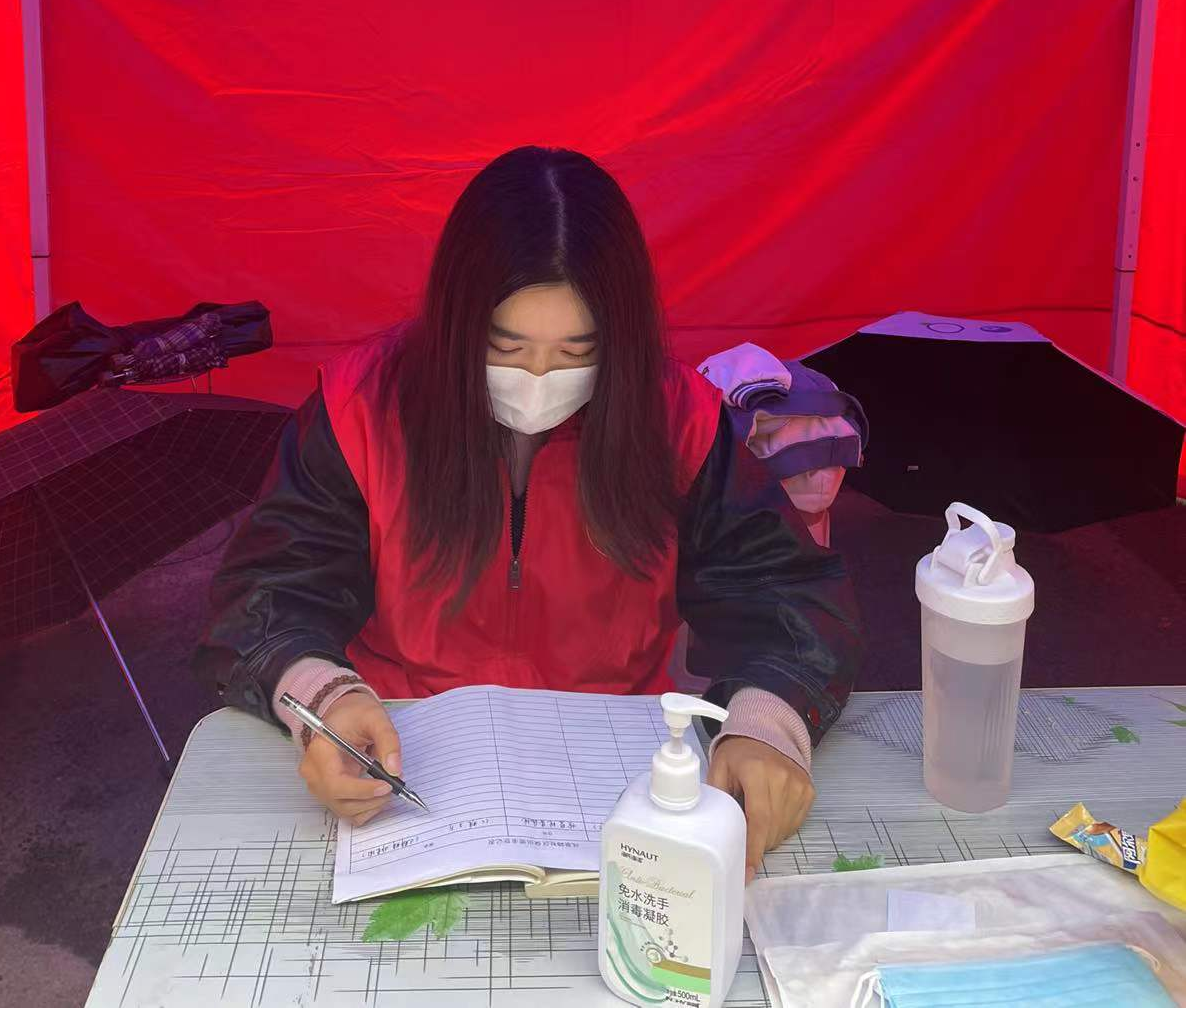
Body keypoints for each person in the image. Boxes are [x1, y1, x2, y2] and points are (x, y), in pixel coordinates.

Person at [194, 146, 862, 878]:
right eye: (505, 346)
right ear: (456, 323)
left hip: (616, 765)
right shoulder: (362, 409)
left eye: (578, 351)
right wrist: (322, 695)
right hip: (397, 747)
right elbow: (269, 594)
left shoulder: (677, 420)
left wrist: (766, 723)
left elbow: (783, 593)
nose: (539, 378)